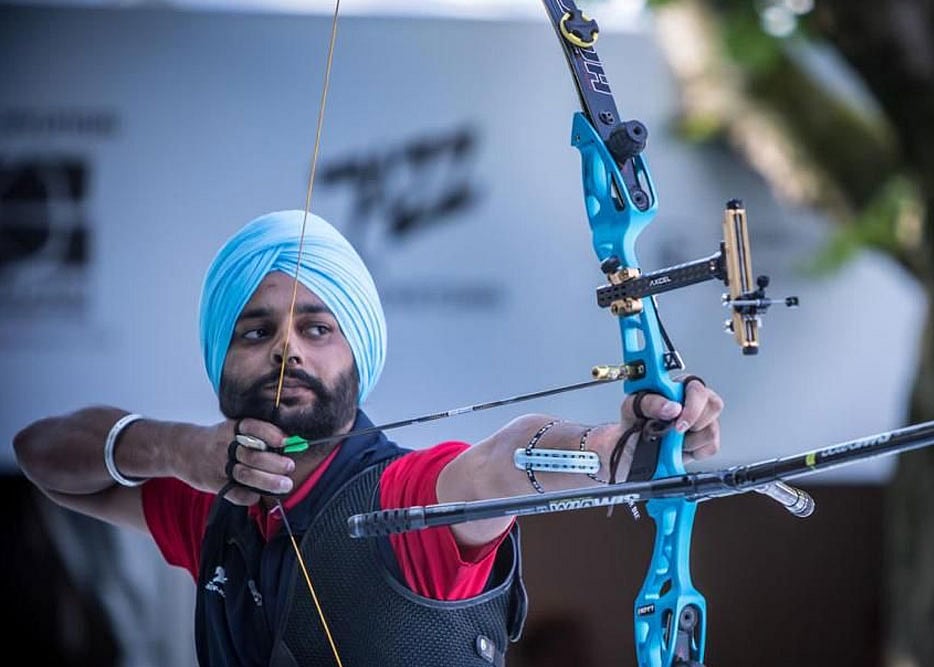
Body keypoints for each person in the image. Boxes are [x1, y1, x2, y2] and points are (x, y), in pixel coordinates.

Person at [13, 210, 724, 666]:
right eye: (256, 331)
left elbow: (503, 461)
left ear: (359, 355)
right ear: (220, 359)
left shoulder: (402, 497)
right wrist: (175, 449)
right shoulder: (213, 503)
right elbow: (40, 452)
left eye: (317, 328)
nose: (286, 351)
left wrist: (612, 449)